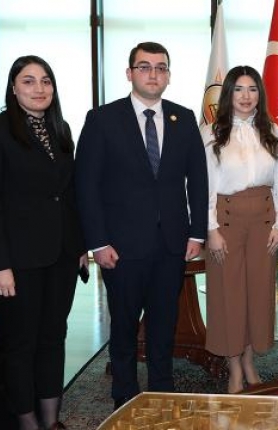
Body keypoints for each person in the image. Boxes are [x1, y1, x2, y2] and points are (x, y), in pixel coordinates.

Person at [75, 42, 208, 409]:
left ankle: (162, 391)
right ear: (130, 73)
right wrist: (97, 242)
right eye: (145, 67)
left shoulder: (183, 118)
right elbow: (86, 186)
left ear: (168, 75)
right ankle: (124, 395)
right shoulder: (102, 119)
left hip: (171, 245)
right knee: (124, 326)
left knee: (164, 325)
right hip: (121, 247)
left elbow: (198, 181)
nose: (153, 74)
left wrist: (197, 232)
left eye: (161, 67)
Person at [0, 55, 87, 430]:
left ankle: (51, 421)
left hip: (62, 255)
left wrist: (80, 246)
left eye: (45, 81)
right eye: (29, 81)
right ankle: (27, 422)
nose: (39, 88)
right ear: (13, 88)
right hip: (17, 261)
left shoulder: (60, 129)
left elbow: (69, 194)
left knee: (54, 337)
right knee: (22, 344)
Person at [200, 65, 278, 393]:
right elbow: (206, 186)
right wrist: (211, 229)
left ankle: (250, 361)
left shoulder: (271, 130)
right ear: (228, 94)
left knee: (258, 294)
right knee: (229, 294)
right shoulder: (211, 133)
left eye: (252, 89)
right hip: (226, 222)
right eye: (238, 89)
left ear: (260, 94)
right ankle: (234, 365)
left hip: (264, 222)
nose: (246, 96)